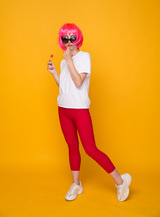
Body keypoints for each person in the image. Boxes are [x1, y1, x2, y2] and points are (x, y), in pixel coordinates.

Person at [47, 23, 132, 202]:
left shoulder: (84, 57)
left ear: (77, 38)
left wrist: (69, 60)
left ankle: (120, 181)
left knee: (90, 149)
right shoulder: (63, 61)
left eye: (72, 38)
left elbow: (78, 82)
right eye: (65, 38)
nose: (69, 42)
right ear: (61, 40)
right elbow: (64, 86)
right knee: (72, 147)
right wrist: (55, 72)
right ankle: (76, 185)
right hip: (63, 109)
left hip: (79, 110)